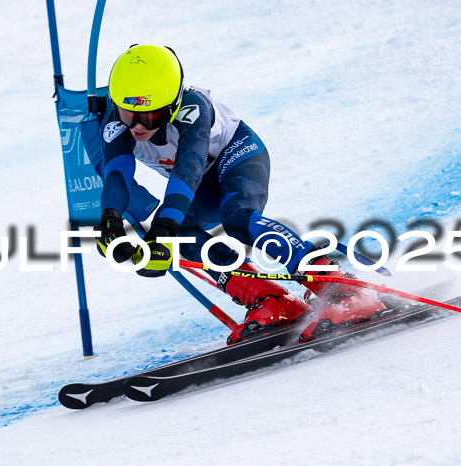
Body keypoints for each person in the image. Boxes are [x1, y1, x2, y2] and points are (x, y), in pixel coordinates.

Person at [94, 44, 385, 344]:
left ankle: (340, 287)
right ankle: (269, 299)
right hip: (199, 182)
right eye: (129, 114)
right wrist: (110, 220)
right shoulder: (115, 122)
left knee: (238, 217)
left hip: (237, 157)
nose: (138, 126)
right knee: (181, 232)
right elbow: (116, 174)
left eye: (150, 116)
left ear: (173, 103)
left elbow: (188, 170)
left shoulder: (194, 109)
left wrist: (162, 228)